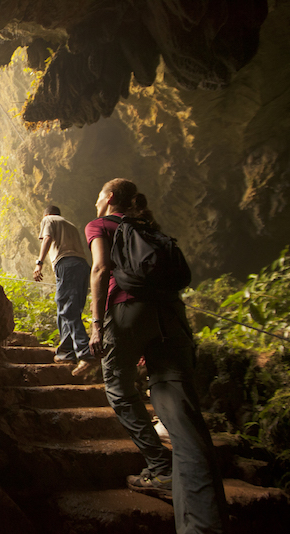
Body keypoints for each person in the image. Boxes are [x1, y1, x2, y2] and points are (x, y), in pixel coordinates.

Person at [85, 179, 230, 534]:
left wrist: (95, 325)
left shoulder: (100, 224)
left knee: (118, 387)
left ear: (109, 199)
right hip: (171, 316)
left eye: (98, 196)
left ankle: (159, 467)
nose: (95, 201)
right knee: (180, 413)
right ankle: (206, 523)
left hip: (126, 311)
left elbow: (102, 269)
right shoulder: (148, 229)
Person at [33, 205, 93, 368]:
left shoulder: (48, 219)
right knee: (70, 309)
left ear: (45, 214)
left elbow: (47, 238)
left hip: (66, 263)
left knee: (66, 308)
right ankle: (66, 352)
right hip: (82, 265)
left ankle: (85, 352)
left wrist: (39, 263)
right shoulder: (70, 224)